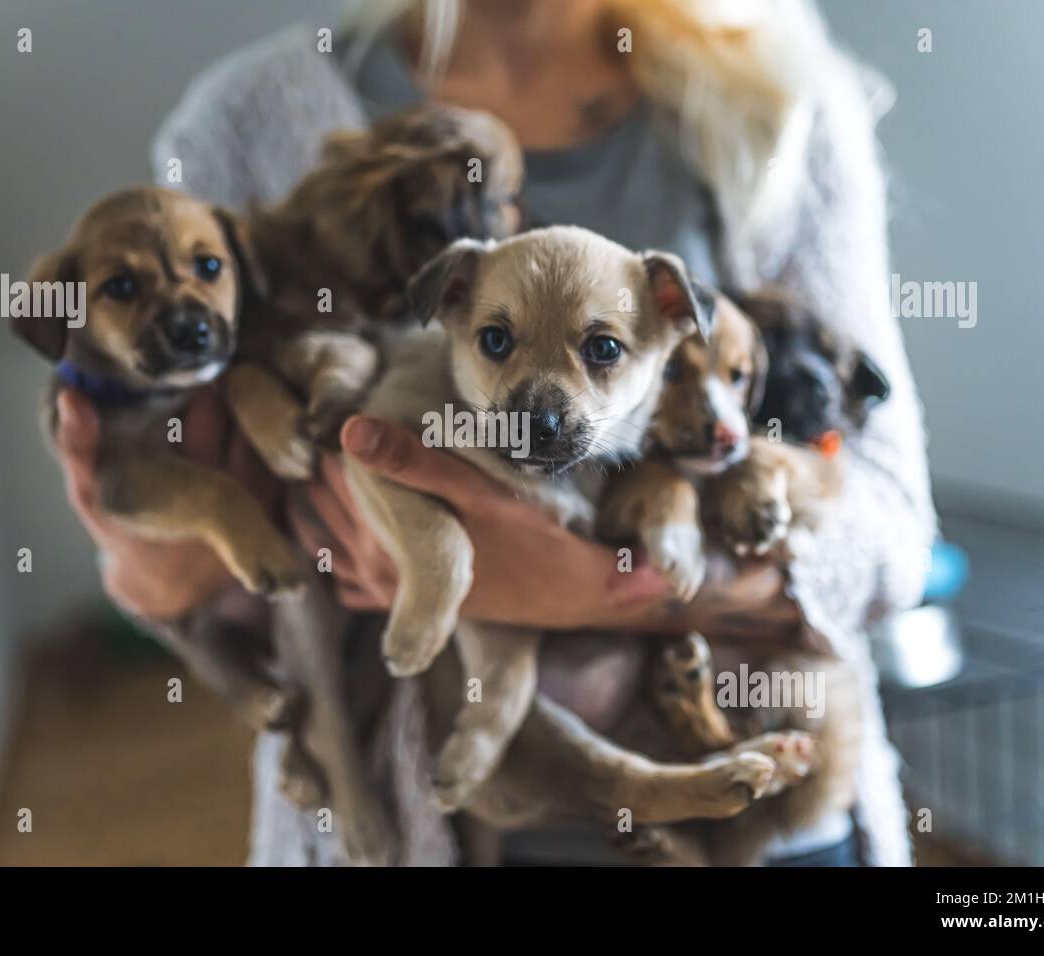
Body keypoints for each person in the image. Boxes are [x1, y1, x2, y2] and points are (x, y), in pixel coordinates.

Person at [56, 0, 936, 865]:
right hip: (410, 821)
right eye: (496, 339)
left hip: (774, 796)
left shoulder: (779, 92)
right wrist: (169, 556)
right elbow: (171, 547)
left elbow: (892, 528)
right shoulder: (247, 114)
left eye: (603, 350)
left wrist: (602, 584)